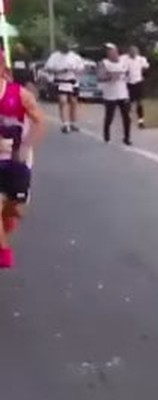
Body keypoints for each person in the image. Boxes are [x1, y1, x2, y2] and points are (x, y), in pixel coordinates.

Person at [0, 52, 47, 269]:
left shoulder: (19, 95)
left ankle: (7, 218)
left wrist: (26, 145)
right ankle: (4, 253)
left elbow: (40, 122)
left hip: (17, 160)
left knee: (15, 208)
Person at [44, 42, 85, 134]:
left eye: (67, 47)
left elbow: (81, 68)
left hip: (72, 81)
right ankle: (65, 124)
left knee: (73, 102)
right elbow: (47, 68)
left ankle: (72, 122)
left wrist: (75, 70)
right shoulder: (54, 56)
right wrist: (59, 70)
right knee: (63, 101)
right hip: (60, 81)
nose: (66, 48)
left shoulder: (75, 57)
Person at [98, 43, 132, 145]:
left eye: (113, 52)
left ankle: (126, 137)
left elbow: (128, 74)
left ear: (117, 52)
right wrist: (110, 77)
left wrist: (125, 75)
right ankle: (107, 136)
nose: (112, 54)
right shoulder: (104, 63)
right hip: (110, 95)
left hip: (123, 93)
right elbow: (100, 76)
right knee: (109, 116)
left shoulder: (123, 62)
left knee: (126, 116)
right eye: (109, 52)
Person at [125, 45, 150, 129]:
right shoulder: (125, 59)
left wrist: (142, 72)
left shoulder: (141, 59)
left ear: (137, 52)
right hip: (129, 83)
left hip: (138, 82)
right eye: (131, 51)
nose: (133, 53)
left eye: (134, 51)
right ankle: (127, 119)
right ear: (129, 52)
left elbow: (146, 66)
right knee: (128, 102)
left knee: (139, 102)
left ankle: (141, 121)